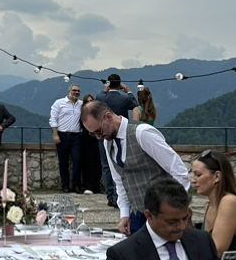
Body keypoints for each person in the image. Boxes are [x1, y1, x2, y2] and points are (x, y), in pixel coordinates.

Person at [81, 98, 189, 236]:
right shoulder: (107, 143)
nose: (98, 137)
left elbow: (178, 169)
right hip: (137, 215)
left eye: (98, 131)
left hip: (162, 214)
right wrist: (124, 214)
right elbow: (120, 181)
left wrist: (176, 207)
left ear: (108, 117)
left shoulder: (142, 133)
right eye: (93, 134)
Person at [189, 149, 236, 257]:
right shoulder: (209, 205)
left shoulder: (229, 202)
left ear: (216, 177)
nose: (193, 180)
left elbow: (217, 250)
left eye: (198, 175)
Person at [99, 75, 137, 208]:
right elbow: (136, 106)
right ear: (120, 84)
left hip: (103, 134)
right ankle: (121, 197)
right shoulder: (125, 98)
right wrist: (129, 91)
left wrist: (104, 89)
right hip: (121, 134)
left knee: (106, 166)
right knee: (120, 165)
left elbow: (97, 101)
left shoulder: (101, 97)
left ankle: (110, 196)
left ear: (108, 84)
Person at [50, 83, 83, 194]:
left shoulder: (81, 104)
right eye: (74, 90)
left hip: (76, 136)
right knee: (63, 162)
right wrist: (55, 135)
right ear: (69, 91)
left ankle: (77, 185)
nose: (76, 92)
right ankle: (65, 186)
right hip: (62, 135)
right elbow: (53, 120)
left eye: (78, 91)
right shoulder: (59, 103)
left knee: (77, 160)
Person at [79, 94, 103, 194]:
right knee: (86, 163)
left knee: (96, 163)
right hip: (86, 140)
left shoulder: (98, 114)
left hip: (95, 139)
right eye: (87, 101)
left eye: (91, 101)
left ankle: (95, 186)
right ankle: (87, 186)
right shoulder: (82, 114)